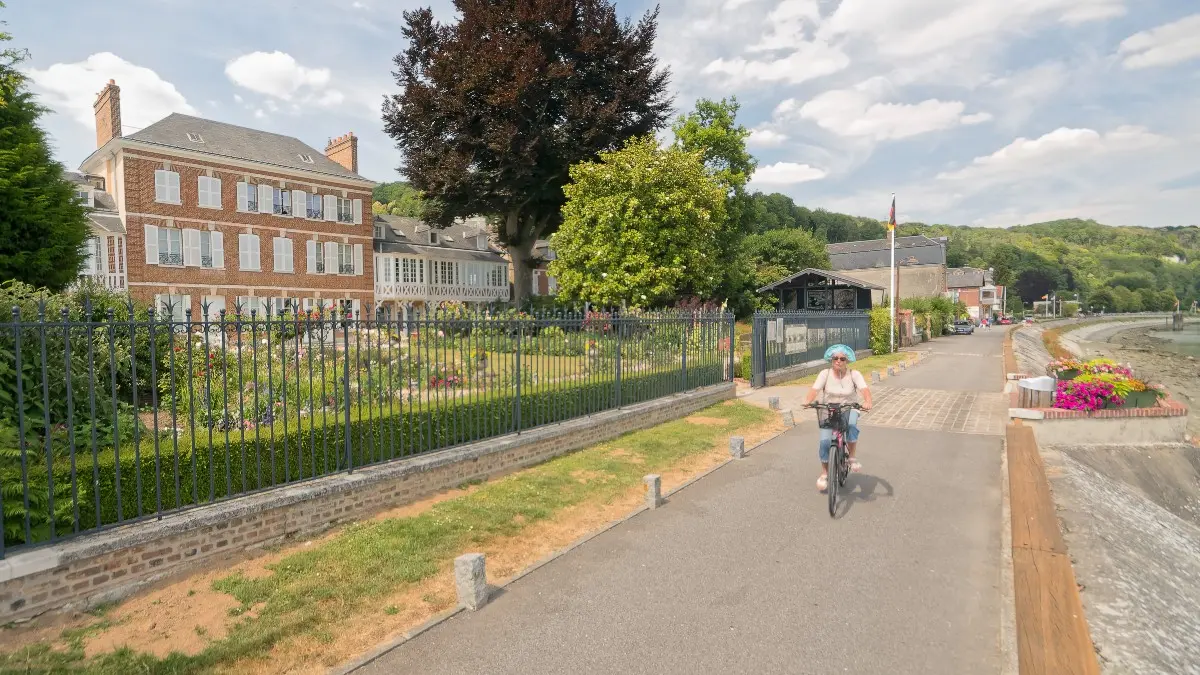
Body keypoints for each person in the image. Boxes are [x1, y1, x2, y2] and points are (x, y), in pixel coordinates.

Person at [803, 344, 873, 492]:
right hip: (829, 409)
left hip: (849, 407)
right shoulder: (825, 374)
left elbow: (864, 389)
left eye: (842, 358)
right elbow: (814, 390)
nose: (838, 361)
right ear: (831, 359)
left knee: (852, 425)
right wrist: (807, 401)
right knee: (824, 441)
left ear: (847, 360)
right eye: (835, 358)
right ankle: (824, 473)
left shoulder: (854, 374)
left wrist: (867, 401)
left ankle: (851, 458)